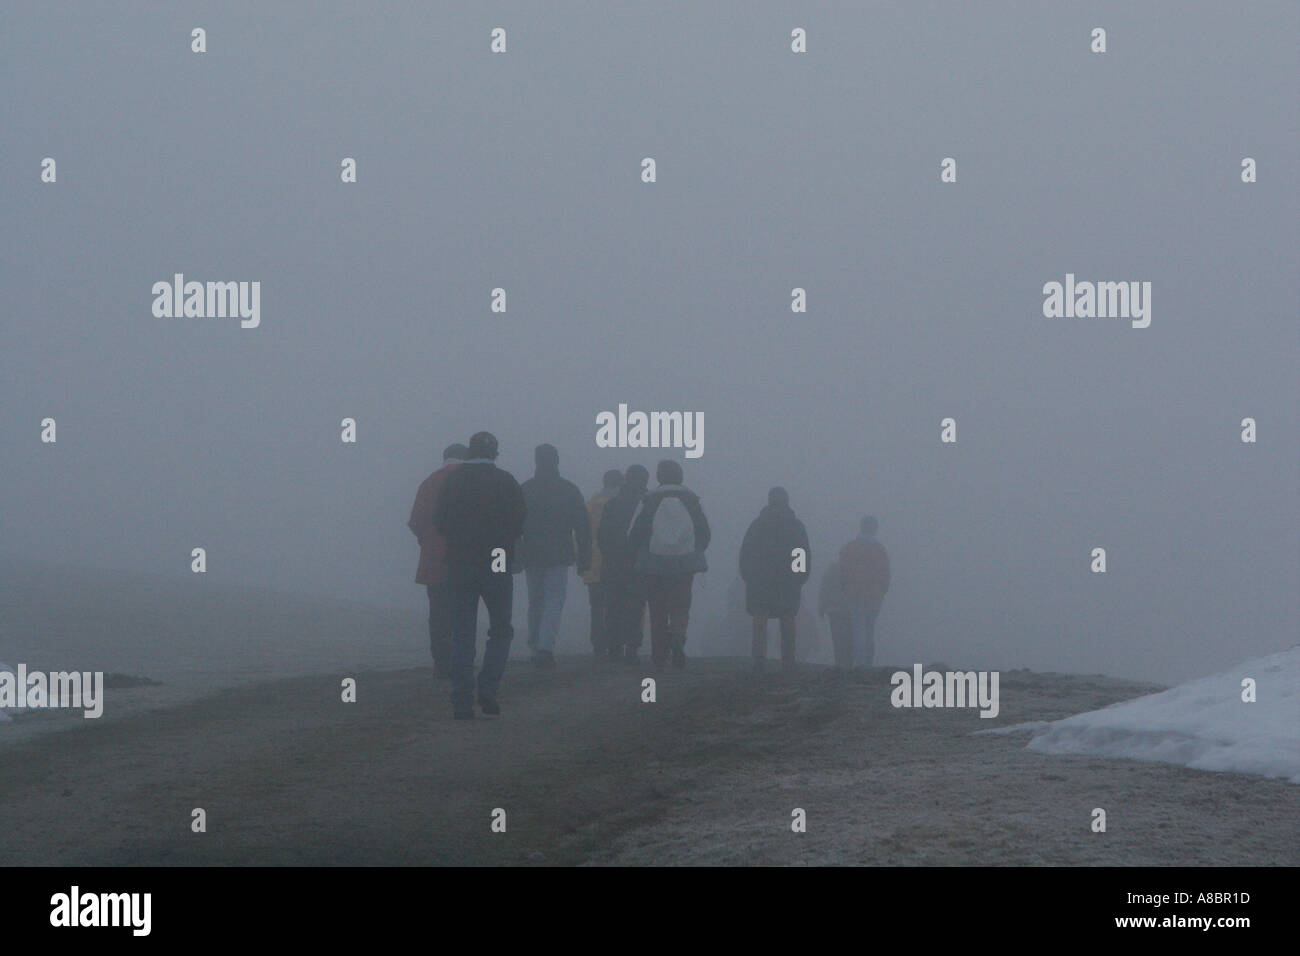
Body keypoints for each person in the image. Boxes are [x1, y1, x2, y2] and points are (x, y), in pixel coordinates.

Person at [433, 431, 527, 719]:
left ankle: (461, 700)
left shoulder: (454, 480)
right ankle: (488, 687)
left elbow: (439, 522)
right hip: (497, 561)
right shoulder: (506, 481)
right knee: (500, 629)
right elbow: (520, 522)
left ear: (469, 452)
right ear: (495, 453)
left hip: (460, 562)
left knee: (462, 632)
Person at [628, 459, 710, 670]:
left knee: (657, 608)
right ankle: (678, 636)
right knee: (681, 604)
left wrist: (636, 553)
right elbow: (704, 533)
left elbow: (635, 533)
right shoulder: (692, 499)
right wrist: (695, 548)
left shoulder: (649, 499)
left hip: (654, 563)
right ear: (680, 476)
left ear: (659, 477)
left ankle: (659, 656)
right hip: (684, 562)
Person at [518, 444, 590, 669]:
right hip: (559, 553)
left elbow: (514, 525)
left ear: (536, 460)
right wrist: (584, 557)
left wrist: (515, 555)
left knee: (535, 601)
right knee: (554, 600)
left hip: (532, 554)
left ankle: (535, 644)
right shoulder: (569, 490)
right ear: (556, 460)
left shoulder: (526, 489)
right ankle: (545, 648)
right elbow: (582, 527)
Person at [407, 442, 467, 678]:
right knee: (464, 610)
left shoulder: (429, 483)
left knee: (439, 613)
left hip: (434, 559)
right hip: (466, 559)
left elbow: (415, 521)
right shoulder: (472, 482)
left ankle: (441, 663)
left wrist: (427, 540)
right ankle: (461, 660)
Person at [739, 487, 811, 672]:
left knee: (760, 618)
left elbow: (746, 554)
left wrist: (749, 576)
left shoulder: (757, 525)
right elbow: (801, 553)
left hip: (760, 581)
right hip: (788, 583)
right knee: (787, 619)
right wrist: (799, 578)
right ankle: (788, 660)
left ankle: (759, 659)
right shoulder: (796, 526)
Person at [596, 464, 649, 663]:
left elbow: (601, 536)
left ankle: (614, 646)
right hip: (639, 565)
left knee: (613, 605)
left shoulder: (612, 504)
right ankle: (632, 647)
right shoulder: (648, 505)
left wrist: (610, 555)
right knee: (636, 607)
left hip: (613, 564)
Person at [581, 469, 624, 659]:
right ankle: (616, 645)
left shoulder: (591, 505)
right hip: (619, 563)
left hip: (594, 563)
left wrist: (581, 559)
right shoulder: (625, 505)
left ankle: (598, 645)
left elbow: (581, 536)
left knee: (597, 606)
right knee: (617, 605)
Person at [837, 516, 890, 668]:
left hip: (854, 594)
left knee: (858, 628)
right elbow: (885, 573)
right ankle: (867, 663)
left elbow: (842, 572)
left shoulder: (850, 547)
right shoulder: (880, 549)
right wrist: (882, 591)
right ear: (875, 529)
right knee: (869, 629)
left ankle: (860, 663)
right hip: (874, 596)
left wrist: (845, 589)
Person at [818, 559, 853, 670]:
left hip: (834, 609)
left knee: (837, 637)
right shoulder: (854, 568)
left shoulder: (832, 569)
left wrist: (821, 606)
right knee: (849, 637)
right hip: (849, 609)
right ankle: (848, 663)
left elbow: (824, 588)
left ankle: (839, 662)